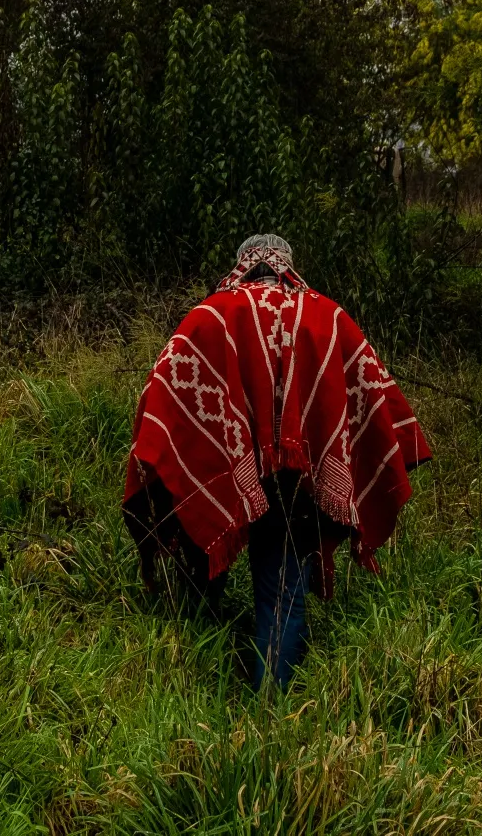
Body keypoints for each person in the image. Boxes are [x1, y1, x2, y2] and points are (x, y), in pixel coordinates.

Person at [122, 234, 430, 688]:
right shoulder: (329, 317)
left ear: (243, 265)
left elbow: (161, 396)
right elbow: (373, 396)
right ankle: (272, 706)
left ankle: (187, 685)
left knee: (205, 568)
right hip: (300, 482)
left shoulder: (211, 315)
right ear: (287, 265)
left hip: (224, 474)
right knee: (282, 591)